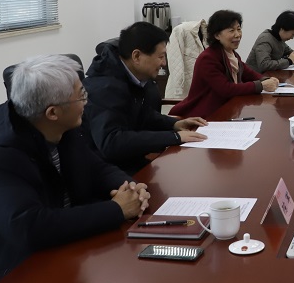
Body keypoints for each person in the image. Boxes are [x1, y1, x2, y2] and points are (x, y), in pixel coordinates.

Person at [0, 55, 150, 283]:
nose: (87, 101)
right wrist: (116, 209)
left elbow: (96, 167)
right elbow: (30, 227)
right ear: (53, 112)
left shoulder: (59, 127)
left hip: (51, 252)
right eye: (81, 96)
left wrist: (129, 187)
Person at [83, 22, 208, 173]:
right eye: (160, 57)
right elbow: (111, 142)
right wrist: (174, 137)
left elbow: (143, 115)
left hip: (131, 160)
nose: (164, 63)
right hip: (108, 172)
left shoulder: (133, 77)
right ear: (136, 56)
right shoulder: (104, 88)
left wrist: (174, 124)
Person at [170, 9, 280, 119]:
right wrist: (260, 85)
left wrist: (265, 79)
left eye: (239, 29)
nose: (237, 35)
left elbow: (247, 73)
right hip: (206, 115)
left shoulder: (231, 53)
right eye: (231, 30)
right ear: (217, 35)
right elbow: (226, 89)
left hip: (228, 108)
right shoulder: (208, 58)